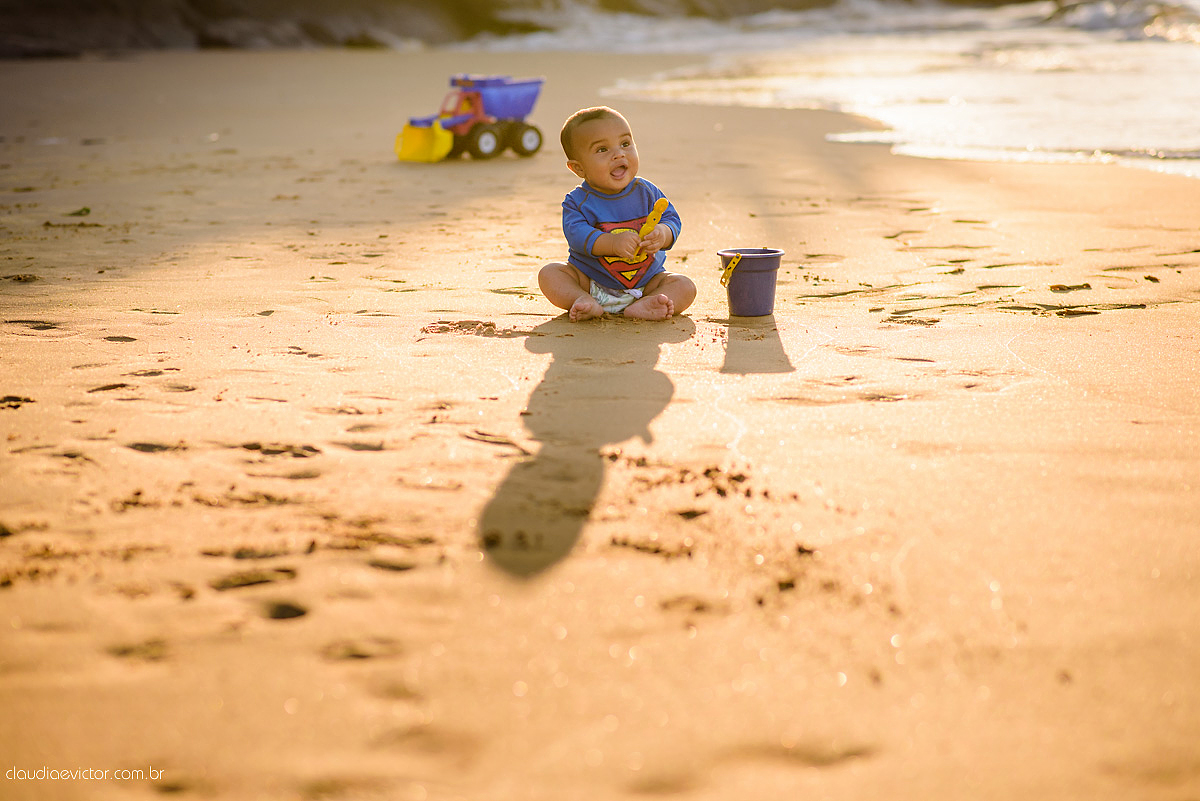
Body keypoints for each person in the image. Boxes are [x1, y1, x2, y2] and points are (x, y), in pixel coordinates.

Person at [538, 107, 696, 322]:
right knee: (550, 274)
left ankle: (644, 305)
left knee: (685, 286)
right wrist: (611, 243)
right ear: (578, 168)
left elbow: (671, 218)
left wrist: (663, 233)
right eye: (602, 149)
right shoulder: (577, 201)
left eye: (625, 144)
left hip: (647, 283)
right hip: (592, 282)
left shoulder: (647, 192)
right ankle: (583, 300)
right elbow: (577, 235)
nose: (619, 154)